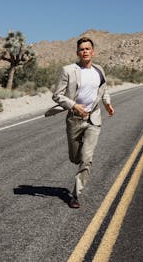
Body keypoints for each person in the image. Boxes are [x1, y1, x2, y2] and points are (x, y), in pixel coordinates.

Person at [52, 37, 114, 208]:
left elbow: (104, 89)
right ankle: (78, 160)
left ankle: (75, 195)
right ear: (77, 52)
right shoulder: (68, 70)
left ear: (93, 52)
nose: (85, 51)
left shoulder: (99, 70)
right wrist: (74, 106)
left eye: (88, 49)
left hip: (93, 119)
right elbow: (57, 95)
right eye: (82, 49)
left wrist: (107, 103)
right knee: (75, 157)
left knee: (87, 159)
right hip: (74, 119)